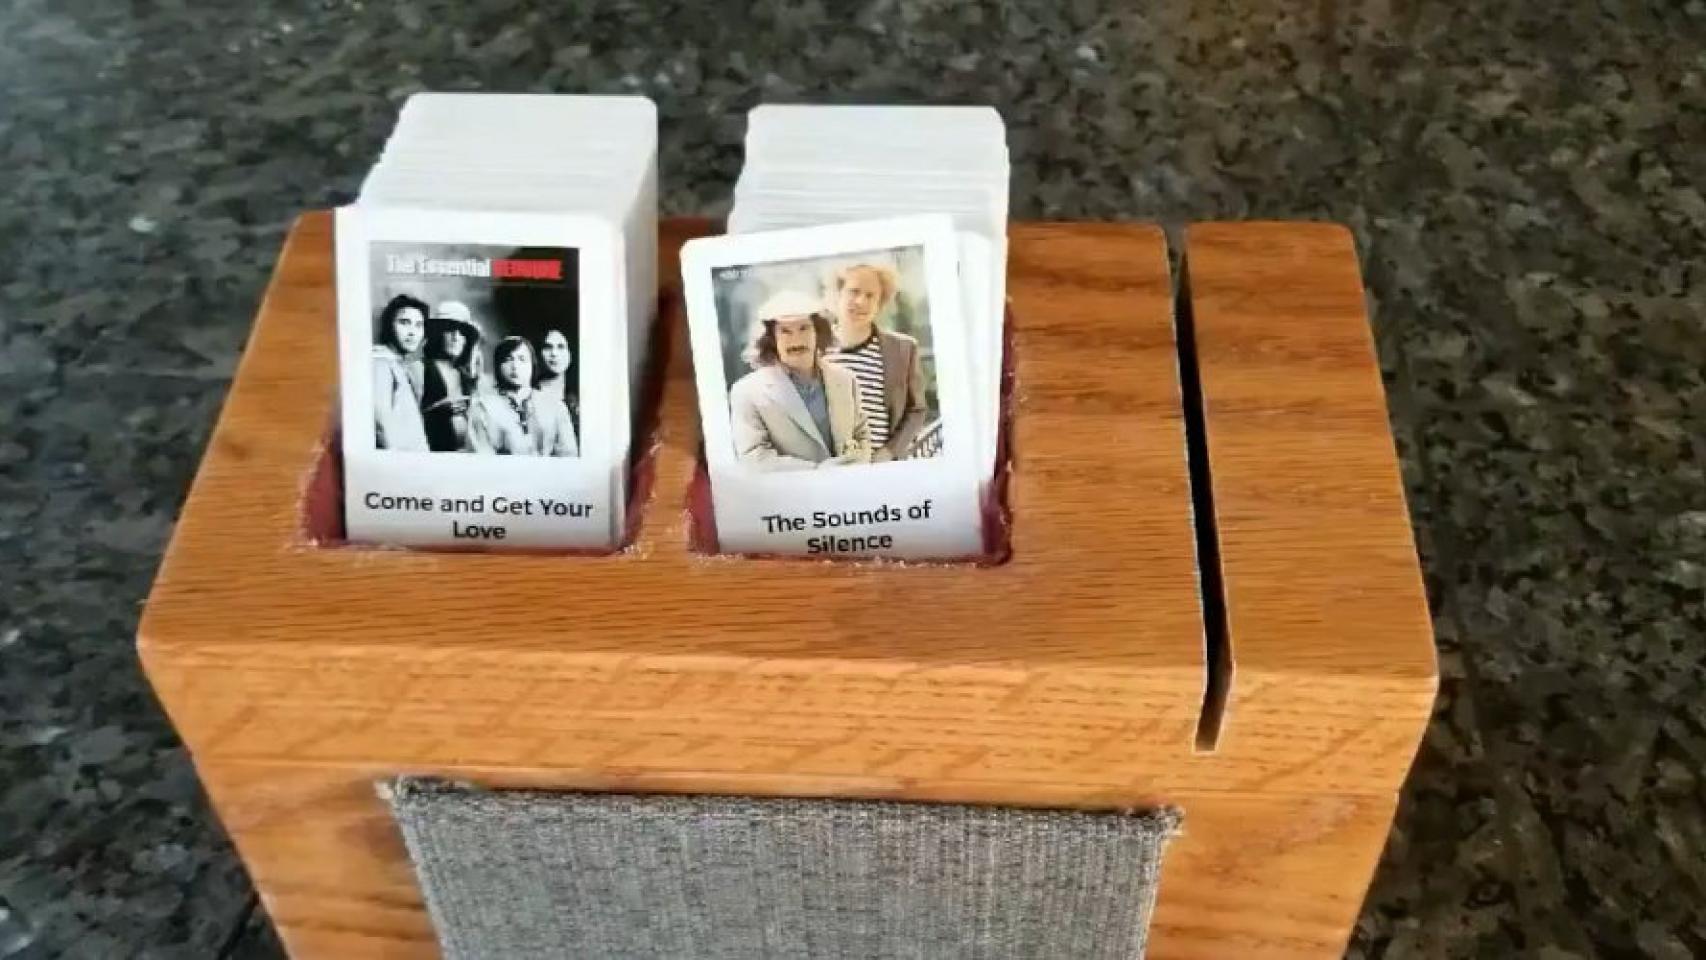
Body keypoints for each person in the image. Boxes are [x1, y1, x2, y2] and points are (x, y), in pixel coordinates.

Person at [728, 289, 871, 471]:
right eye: (785, 331)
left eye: (804, 328)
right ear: (772, 339)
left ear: (818, 332)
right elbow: (754, 457)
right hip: (790, 489)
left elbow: (862, 437)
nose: (796, 338)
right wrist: (817, 472)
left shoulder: (845, 379)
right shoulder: (747, 392)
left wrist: (853, 466)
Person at [827, 262, 929, 461]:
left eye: (870, 295)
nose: (861, 301)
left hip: (882, 466)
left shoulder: (902, 349)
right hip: (831, 466)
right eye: (854, 291)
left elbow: (917, 410)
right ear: (837, 295)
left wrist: (890, 452)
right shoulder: (816, 347)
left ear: (880, 303)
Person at [468, 336, 579, 457]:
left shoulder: (555, 406)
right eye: (508, 359)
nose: (515, 366)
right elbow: (481, 458)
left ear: (532, 365)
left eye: (522, 359)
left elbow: (568, 455)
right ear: (498, 365)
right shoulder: (483, 408)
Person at [420, 301, 485, 453]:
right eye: (450, 330)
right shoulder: (421, 368)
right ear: (438, 334)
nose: (456, 337)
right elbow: (405, 419)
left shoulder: (464, 375)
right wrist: (435, 411)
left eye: (462, 333)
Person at [371, 293, 429, 451]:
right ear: (389, 326)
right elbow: (382, 424)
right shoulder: (380, 363)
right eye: (404, 323)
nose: (412, 332)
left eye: (419, 325)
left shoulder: (398, 365)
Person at [533, 326, 579, 434]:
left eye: (561, 347)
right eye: (547, 347)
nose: (554, 353)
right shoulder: (528, 397)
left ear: (570, 353)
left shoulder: (577, 401)